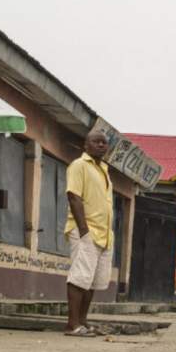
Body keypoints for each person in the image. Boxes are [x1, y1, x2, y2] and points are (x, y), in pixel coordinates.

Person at [64, 131, 114, 338]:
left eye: (104, 142)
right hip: (86, 230)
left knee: (92, 280)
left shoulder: (104, 169)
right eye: (96, 141)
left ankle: (83, 321)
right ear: (86, 145)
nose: (101, 145)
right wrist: (84, 230)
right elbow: (74, 197)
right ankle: (72, 324)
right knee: (79, 277)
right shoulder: (79, 165)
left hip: (104, 233)